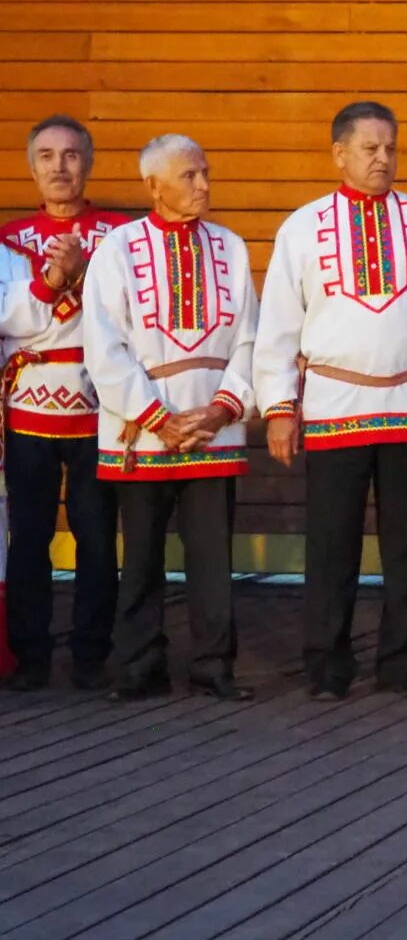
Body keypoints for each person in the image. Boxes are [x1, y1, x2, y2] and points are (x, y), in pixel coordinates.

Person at [253, 102, 407, 699]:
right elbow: (278, 325)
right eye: (369, 148)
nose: (383, 158)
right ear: (339, 154)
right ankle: (327, 667)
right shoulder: (302, 227)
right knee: (331, 542)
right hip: (334, 406)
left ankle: (405, 665)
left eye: (390, 148)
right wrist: (280, 408)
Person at [81, 135, 257, 701]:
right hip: (142, 428)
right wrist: (157, 417)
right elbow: (103, 346)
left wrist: (222, 408)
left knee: (212, 557)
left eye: (205, 172)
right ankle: (137, 667)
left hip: (214, 426)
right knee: (141, 556)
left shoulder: (231, 247)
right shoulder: (117, 249)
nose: (203, 185)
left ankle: (213, 667)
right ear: (153, 185)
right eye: (189, 176)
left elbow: (251, 339)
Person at [2, 115, 118, 690]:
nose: (59, 167)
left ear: (88, 163)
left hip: (102, 409)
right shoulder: (8, 239)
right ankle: (31, 656)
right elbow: (5, 318)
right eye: (46, 156)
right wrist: (52, 279)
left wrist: (84, 268)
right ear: (31, 166)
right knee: (30, 538)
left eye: (71, 155)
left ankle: (93, 655)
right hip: (30, 412)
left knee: (98, 536)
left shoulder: (121, 236)